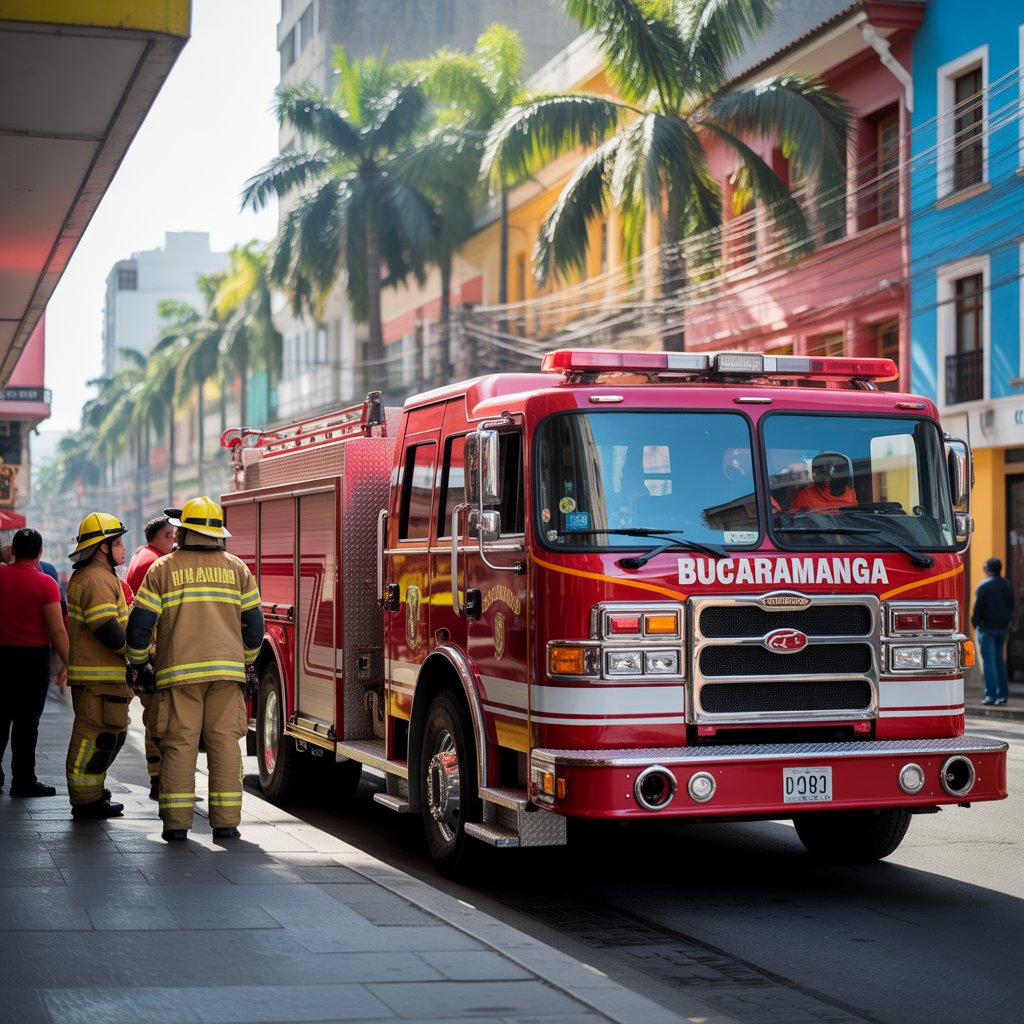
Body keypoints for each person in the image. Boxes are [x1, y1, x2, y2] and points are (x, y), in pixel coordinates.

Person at [126, 496, 264, 842]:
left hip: (178, 675)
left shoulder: (163, 569)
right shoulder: (238, 569)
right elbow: (254, 626)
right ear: (217, 533)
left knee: (179, 744)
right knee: (224, 744)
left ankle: (175, 825)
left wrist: (139, 662)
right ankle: (227, 823)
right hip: (226, 675)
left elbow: (140, 625)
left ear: (183, 531)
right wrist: (245, 660)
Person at [64, 512, 132, 819]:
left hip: (103, 678)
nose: (124, 549)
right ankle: (86, 799)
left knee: (108, 735)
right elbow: (105, 625)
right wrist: (134, 653)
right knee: (96, 736)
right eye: (118, 543)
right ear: (103, 547)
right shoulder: (96, 578)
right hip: (100, 678)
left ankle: (91, 794)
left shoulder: (96, 576)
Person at [0, 528, 70, 796]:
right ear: (40, 553)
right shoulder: (45, 583)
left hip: (2, 657)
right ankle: (23, 780)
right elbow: (57, 630)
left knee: (0, 718)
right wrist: (70, 664)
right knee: (27, 722)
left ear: (13, 551)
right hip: (32, 659)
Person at [971, 557, 1015, 706]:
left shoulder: (983, 585)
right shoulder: (1007, 584)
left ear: (988, 570)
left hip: (986, 629)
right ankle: (1002, 696)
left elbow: (977, 609)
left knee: (989, 663)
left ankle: (991, 695)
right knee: (999, 662)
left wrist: (975, 625)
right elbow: (1012, 606)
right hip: (1002, 628)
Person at [790, 451, 857, 513]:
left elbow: (854, 516)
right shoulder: (804, 492)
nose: (820, 471)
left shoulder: (850, 494)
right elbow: (794, 517)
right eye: (816, 468)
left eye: (839, 470)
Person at [125, 515, 175, 594]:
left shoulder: (141, 551)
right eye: (168, 535)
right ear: (153, 538)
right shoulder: (157, 562)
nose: (173, 539)